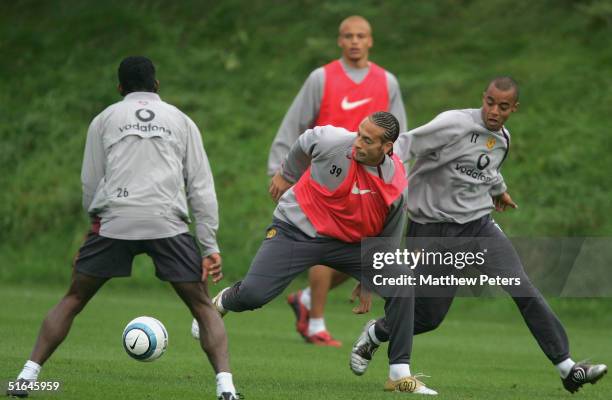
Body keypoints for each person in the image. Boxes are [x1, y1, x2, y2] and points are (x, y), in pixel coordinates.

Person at [349, 77, 607, 394]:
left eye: (503, 106)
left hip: (479, 227)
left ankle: (568, 369)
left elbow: (488, 168)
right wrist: (377, 181)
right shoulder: (453, 123)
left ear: (514, 108)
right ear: (483, 98)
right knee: (429, 317)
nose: (494, 111)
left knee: (523, 288)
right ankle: (377, 333)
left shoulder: (503, 139)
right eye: (490, 102)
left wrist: (500, 191)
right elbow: (405, 145)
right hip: (433, 230)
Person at [7, 56, 240, 400]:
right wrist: (209, 246)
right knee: (203, 307)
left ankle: (27, 377)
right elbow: (201, 187)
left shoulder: (104, 119)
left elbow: (90, 182)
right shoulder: (180, 120)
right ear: (156, 85)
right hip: (166, 222)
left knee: (73, 298)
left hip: (116, 218)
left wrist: (94, 228)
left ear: (120, 88)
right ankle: (226, 388)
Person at [200, 112, 436, 394]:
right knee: (253, 295)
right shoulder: (333, 141)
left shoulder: (396, 183)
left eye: (367, 140)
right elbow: (305, 141)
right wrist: (286, 174)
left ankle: (399, 373)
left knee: (402, 282)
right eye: (359, 133)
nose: (357, 142)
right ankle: (223, 301)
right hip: (298, 231)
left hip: (350, 246)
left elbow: (390, 232)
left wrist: (371, 278)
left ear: (386, 148)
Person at [268, 15, 407, 347]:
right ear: (339, 41)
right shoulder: (322, 77)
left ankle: (304, 299)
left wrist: (396, 177)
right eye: (348, 36)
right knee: (323, 244)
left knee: (358, 250)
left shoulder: (387, 81)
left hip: (367, 181)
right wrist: (280, 169)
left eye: (361, 36)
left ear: (370, 41)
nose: (355, 41)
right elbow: (295, 124)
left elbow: (399, 134)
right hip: (325, 175)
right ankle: (315, 321)